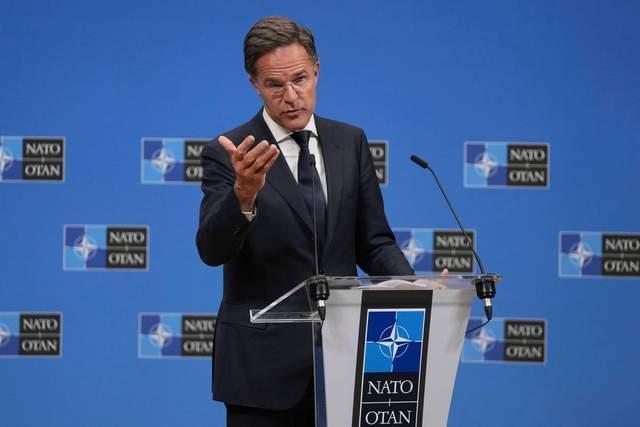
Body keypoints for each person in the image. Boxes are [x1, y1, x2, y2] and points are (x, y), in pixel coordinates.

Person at [196, 16, 414, 427]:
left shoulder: (350, 142)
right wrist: (243, 195)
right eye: (275, 85)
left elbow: (374, 243)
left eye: (300, 79)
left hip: (344, 362)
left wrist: (416, 291)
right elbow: (211, 249)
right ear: (254, 84)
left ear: (316, 71)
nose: (291, 96)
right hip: (261, 374)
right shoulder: (230, 153)